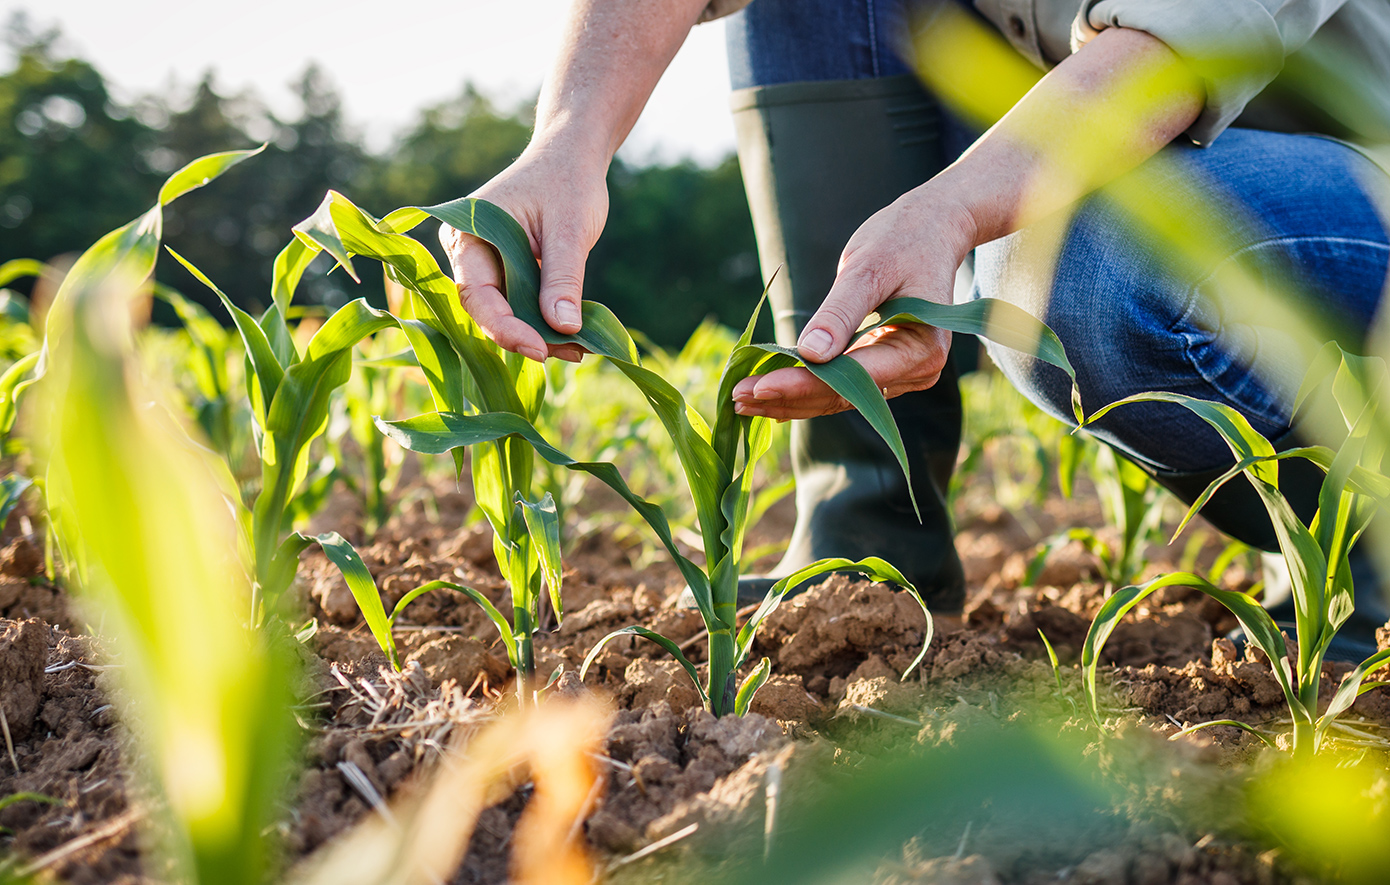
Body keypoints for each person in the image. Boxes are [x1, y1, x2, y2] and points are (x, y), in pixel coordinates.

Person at [441, 0, 1390, 653]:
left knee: (1081, 262)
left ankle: (1365, 552)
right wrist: (566, 139)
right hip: (1083, 128)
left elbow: (1182, 41)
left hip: (1344, 176)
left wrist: (959, 211)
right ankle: (869, 549)